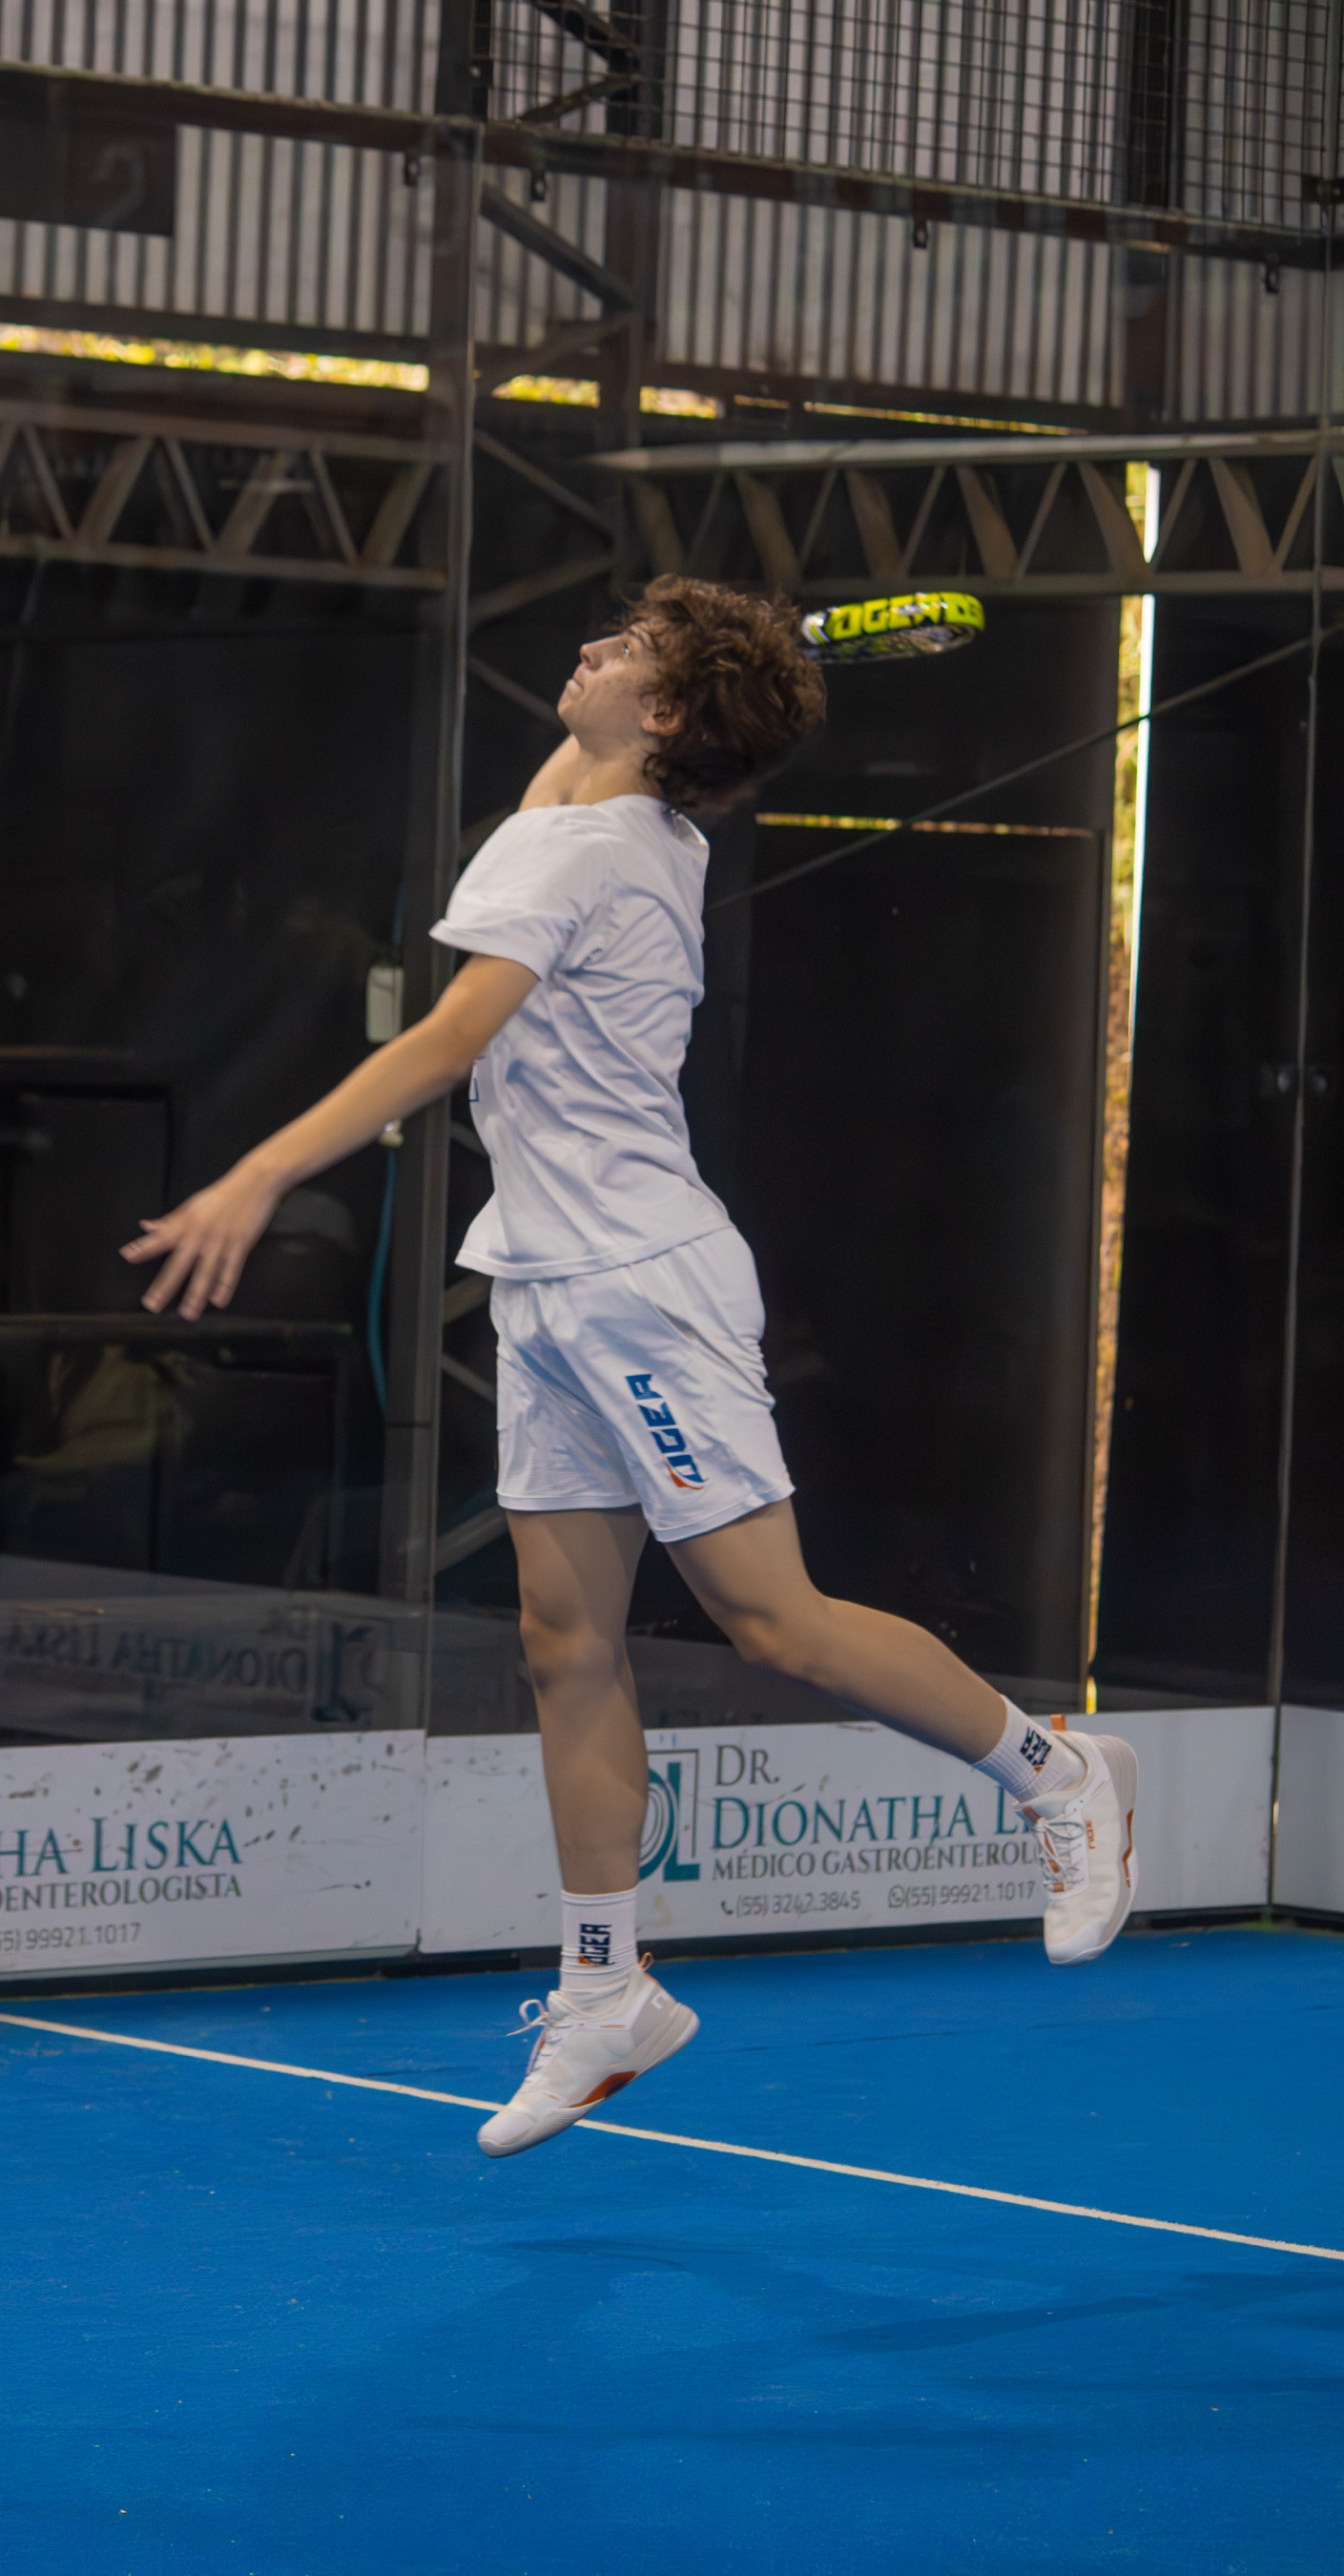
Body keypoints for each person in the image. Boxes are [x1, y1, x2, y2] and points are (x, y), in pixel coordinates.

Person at [122, 576, 1140, 2159]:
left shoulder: (592, 846)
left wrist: (257, 1175)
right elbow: (587, 764)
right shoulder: (625, 820)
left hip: (641, 1292)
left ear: (663, 717)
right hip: (546, 1283)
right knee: (562, 1641)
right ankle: (607, 1991)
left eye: (623, 651)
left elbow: (444, 1042)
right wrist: (715, 654)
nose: (585, 651)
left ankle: (1057, 1769)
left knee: (772, 1622)